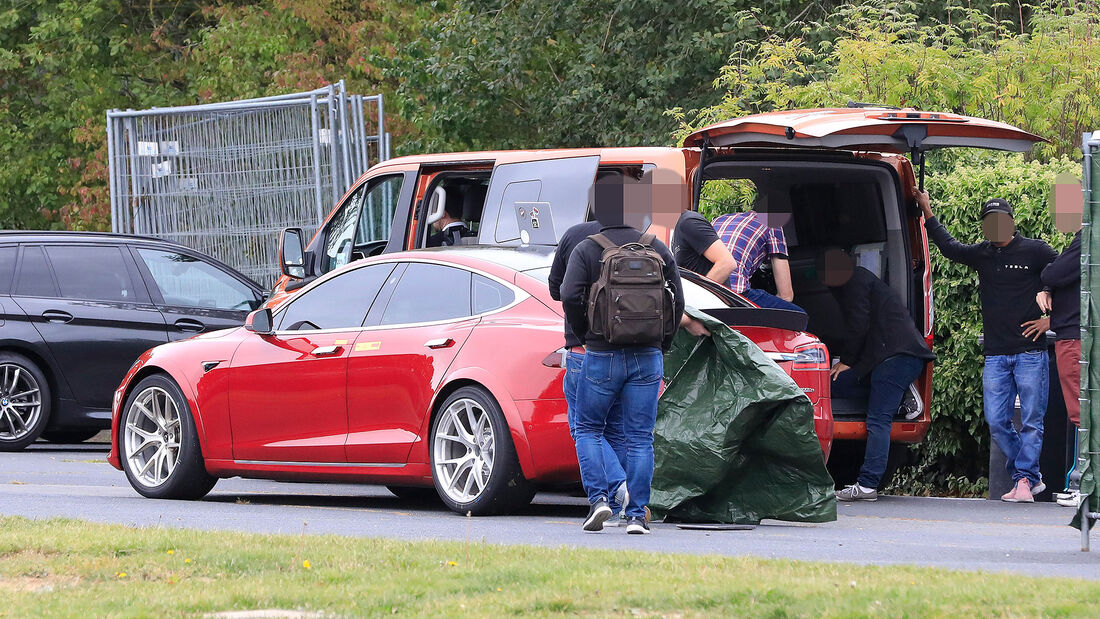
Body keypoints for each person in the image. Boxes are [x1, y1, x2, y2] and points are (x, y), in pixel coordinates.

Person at [919, 192, 1056, 503]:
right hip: (995, 353)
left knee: (1033, 420)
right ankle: (1029, 477)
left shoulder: (1036, 251)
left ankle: (1023, 480)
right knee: (996, 421)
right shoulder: (982, 254)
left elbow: (1069, 275)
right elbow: (949, 247)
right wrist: (927, 210)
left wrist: (1053, 320)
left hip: (1030, 352)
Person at [561, 200, 686, 534]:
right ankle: (635, 516)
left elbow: (569, 293)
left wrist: (586, 335)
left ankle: (599, 500)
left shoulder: (587, 248)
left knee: (588, 428)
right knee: (640, 438)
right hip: (648, 356)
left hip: (601, 354)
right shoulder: (657, 248)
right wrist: (663, 344)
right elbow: (679, 301)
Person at [820, 249, 936, 501]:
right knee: (840, 384)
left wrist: (847, 361)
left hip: (895, 358)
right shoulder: (861, 281)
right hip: (892, 357)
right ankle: (902, 395)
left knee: (878, 421)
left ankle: (867, 485)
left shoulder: (856, 282)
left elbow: (858, 324)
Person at [712, 201, 802, 312]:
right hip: (734, 292)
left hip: (701, 288)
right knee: (798, 315)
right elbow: (786, 296)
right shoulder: (773, 225)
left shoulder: (719, 219)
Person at [672, 210, 737, 284]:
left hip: (709, 294)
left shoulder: (689, 222)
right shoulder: (678, 228)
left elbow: (727, 263)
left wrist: (700, 293)